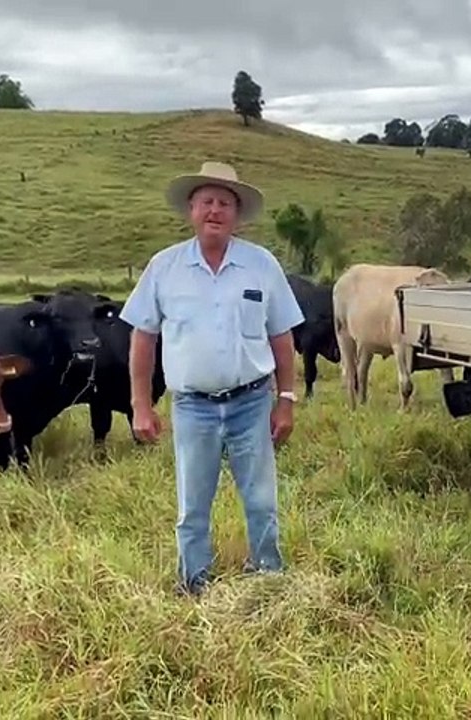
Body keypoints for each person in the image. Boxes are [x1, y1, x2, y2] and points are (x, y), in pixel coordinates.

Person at [120, 160, 305, 596]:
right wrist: (140, 405)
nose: (215, 211)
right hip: (192, 406)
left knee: (260, 500)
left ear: (237, 215)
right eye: (207, 202)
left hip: (251, 402)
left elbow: (281, 336)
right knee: (192, 505)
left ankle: (267, 580)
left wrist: (287, 398)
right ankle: (194, 584)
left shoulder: (262, 266)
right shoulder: (164, 268)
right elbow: (142, 338)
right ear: (191, 210)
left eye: (225, 203)